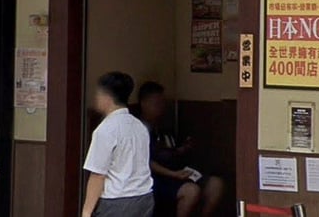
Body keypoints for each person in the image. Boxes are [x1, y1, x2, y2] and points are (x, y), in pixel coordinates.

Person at [136, 81, 225, 217]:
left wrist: (183, 149)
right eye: (156, 103)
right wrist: (174, 174)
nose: (161, 107)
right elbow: (147, 162)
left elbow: (171, 151)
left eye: (162, 103)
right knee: (191, 191)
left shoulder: (163, 126)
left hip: (178, 172)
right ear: (144, 103)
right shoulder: (137, 129)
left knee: (215, 184)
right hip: (157, 179)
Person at [82, 72, 154, 217]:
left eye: (98, 94)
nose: (96, 99)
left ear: (106, 97)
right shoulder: (139, 126)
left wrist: (86, 212)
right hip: (144, 197)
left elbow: (98, 175)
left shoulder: (106, 129)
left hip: (117, 202)